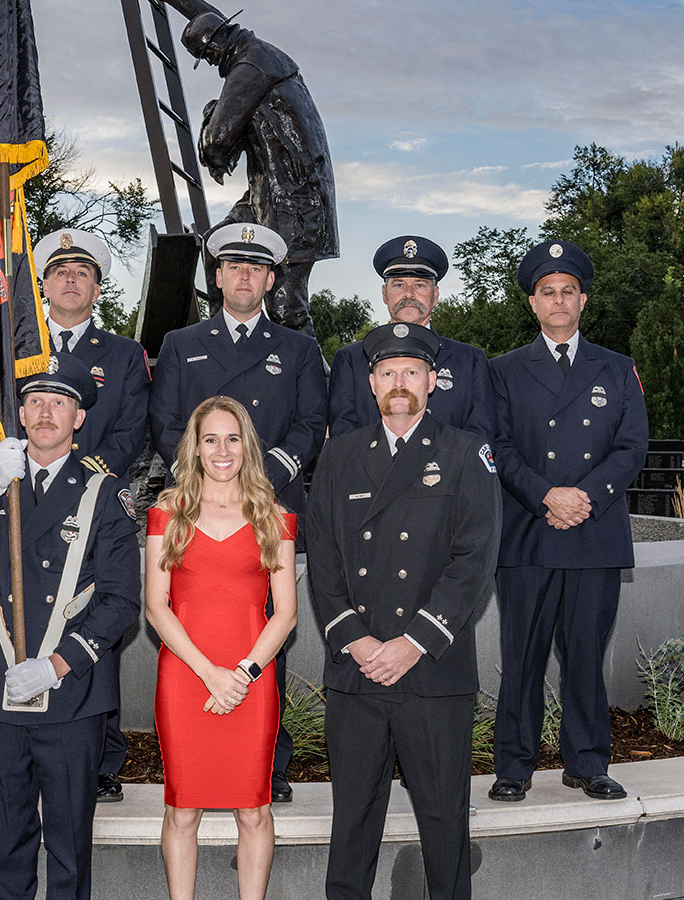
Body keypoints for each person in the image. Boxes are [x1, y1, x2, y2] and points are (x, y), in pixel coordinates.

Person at [0, 352, 141, 900]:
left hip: (70, 694)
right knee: (5, 838)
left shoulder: (104, 494)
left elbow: (121, 602)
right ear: (21, 415)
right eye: (35, 402)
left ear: (78, 419)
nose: (47, 412)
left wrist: (56, 665)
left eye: (60, 402)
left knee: (69, 846)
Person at [307, 323, 501, 900]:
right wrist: (359, 642)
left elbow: (475, 559)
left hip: (432, 671)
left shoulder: (466, 453)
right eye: (388, 372)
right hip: (357, 670)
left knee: (444, 823)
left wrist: (411, 643)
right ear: (370, 384)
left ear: (432, 382)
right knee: (353, 823)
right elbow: (322, 557)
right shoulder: (340, 456)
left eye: (411, 372)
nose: (399, 383)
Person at [150, 221, 327, 802]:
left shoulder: (299, 349)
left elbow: (308, 426)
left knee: (268, 628)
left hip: (272, 511)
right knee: (195, 620)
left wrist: (258, 483)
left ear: (271, 279)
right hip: (198, 514)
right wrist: (204, 487)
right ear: (218, 276)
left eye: (257, 268)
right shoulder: (181, 343)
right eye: (234, 266)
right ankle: (194, 753)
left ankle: (268, 764)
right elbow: (167, 424)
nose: (245, 276)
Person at [488, 240, 649, 804]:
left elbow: (631, 448)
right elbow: (498, 449)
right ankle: (513, 767)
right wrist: (546, 495)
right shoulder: (503, 370)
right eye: (547, 293)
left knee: (585, 657)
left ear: (583, 300)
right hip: (529, 535)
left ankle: (587, 763)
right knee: (522, 661)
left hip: (593, 531)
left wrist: (583, 496)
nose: (558, 302)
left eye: (568, 292)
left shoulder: (617, 367)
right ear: (533, 304)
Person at [145, 396, 298, 900]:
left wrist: (242, 674)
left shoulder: (273, 516)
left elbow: (287, 613)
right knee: (182, 808)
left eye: (232, 438)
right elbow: (156, 606)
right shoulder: (168, 512)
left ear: (246, 445)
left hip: (251, 677)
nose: (222, 449)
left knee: (254, 808)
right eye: (210, 438)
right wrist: (210, 673)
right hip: (186, 675)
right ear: (195, 447)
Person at [31, 227, 152, 803]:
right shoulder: (16, 348)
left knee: (99, 625)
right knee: (25, 622)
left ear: (99, 288)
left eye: (82, 272)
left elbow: (134, 428)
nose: (70, 279)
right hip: (25, 507)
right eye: (60, 271)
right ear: (43, 283)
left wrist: (84, 479)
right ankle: (25, 735)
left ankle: (104, 760)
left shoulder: (125, 355)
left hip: (98, 507)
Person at [174, 2, 339, 333]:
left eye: (208, 55)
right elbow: (203, 11)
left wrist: (210, 123)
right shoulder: (255, 53)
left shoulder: (251, 65)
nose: (211, 62)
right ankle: (225, 339)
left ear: (218, 42)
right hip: (269, 194)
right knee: (216, 245)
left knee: (286, 306)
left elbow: (219, 138)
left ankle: (313, 381)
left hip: (294, 202)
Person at [327, 235, 493, 441]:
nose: (409, 294)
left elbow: (480, 438)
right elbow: (343, 439)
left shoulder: (470, 361)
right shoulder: (351, 360)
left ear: (435, 295)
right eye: (398, 285)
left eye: (420, 285)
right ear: (384, 293)